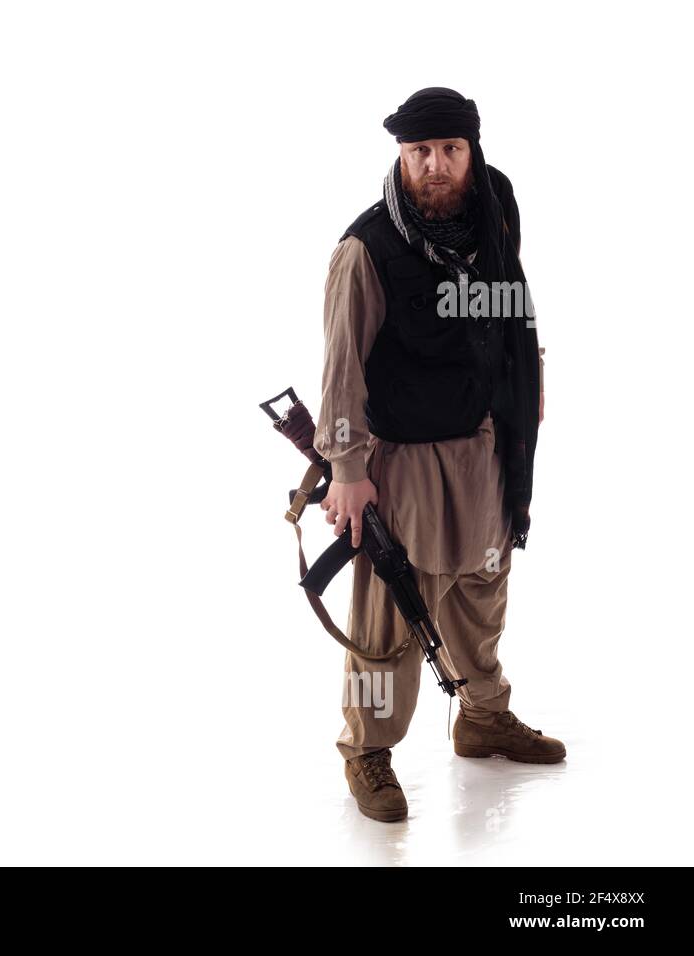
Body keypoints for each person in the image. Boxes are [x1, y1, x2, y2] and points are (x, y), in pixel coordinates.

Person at [314, 88, 564, 824]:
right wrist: (348, 469)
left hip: (485, 445)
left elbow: (509, 295)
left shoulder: (494, 203)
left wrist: (530, 373)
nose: (435, 167)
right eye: (419, 152)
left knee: (482, 593)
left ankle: (483, 716)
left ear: (471, 150)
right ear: (400, 154)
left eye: (449, 150)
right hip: (405, 461)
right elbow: (340, 370)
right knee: (386, 623)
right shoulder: (366, 251)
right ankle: (366, 749)